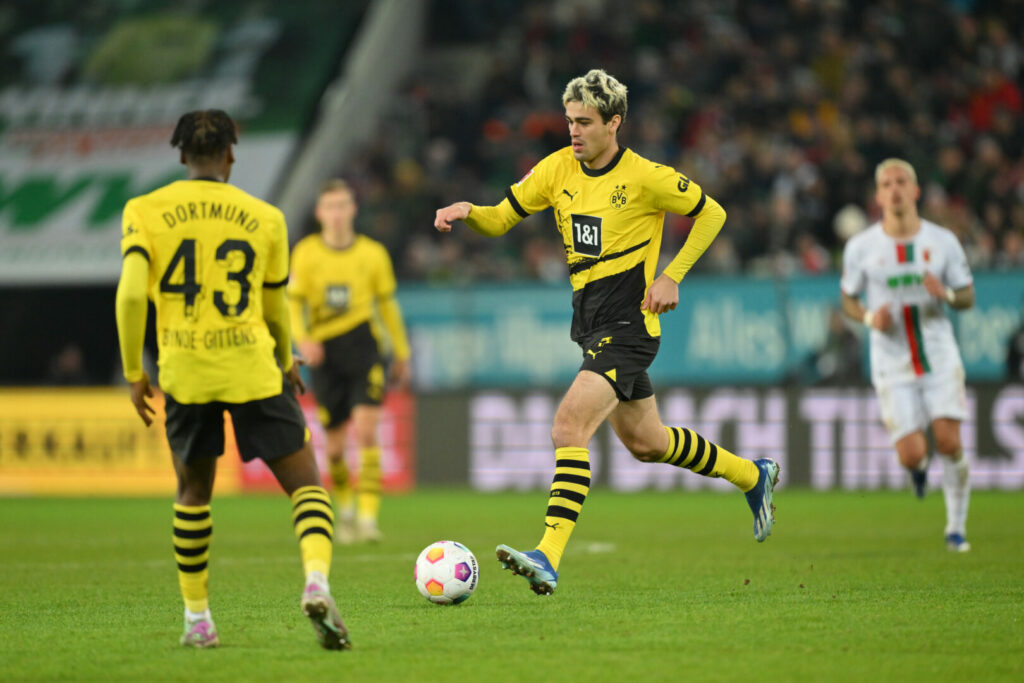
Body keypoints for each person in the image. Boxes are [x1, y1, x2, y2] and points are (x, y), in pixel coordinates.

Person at [433, 69, 780, 596]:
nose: (573, 131)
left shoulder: (647, 177)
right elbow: (502, 218)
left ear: (614, 122)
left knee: (568, 428)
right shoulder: (556, 169)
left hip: (631, 327)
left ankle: (547, 555)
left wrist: (672, 275)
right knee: (648, 442)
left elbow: (713, 213)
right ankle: (753, 476)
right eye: (569, 121)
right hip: (591, 328)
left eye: (585, 122)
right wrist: (469, 212)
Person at [115, 110, 350, 649]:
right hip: (251, 367)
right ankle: (315, 580)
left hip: (185, 370)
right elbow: (273, 303)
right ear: (231, 155)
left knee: (193, 492)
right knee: (306, 486)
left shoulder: (144, 210)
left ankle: (198, 621)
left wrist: (134, 372)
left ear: (180, 156)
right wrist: (288, 359)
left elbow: (130, 295)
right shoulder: (264, 217)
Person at [840, 158, 974, 552]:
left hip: (938, 351)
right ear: (879, 195)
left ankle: (956, 528)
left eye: (902, 182)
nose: (895, 189)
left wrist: (946, 295)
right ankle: (917, 472)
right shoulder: (861, 247)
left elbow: (967, 295)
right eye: (887, 183)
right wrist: (867, 317)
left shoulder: (943, 241)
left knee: (948, 442)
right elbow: (848, 299)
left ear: (915, 191)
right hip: (891, 359)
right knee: (912, 454)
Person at [288, 179, 411, 543]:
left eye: (343, 205)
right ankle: (344, 510)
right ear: (319, 212)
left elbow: (387, 305)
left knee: (366, 430)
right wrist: (304, 339)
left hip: (364, 345)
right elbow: (293, 303)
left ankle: (368, 519)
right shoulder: (307, 253)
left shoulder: (372, 254)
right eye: (331, 207)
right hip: (324, 352)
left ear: (353, 209)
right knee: (338, 447)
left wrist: (401, 352)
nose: (338, 214)